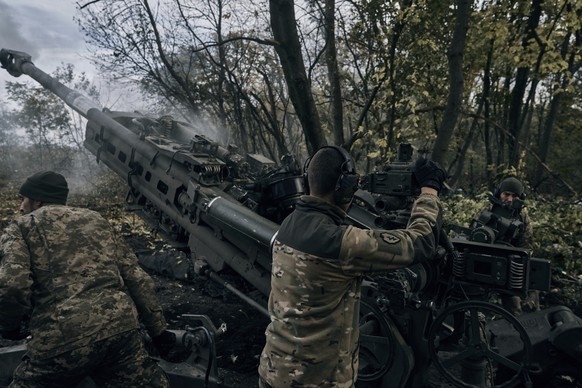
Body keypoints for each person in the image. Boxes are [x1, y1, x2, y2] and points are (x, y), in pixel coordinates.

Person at [258, 146, 445, 387]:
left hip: (273, 371)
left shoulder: (289, 224)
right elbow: (420, 242)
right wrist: (429, 190)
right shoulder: (340, 243)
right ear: (344, 188)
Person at [0, 171, 175, 387]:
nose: (20, 206)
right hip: (120, 331)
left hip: (63, 339)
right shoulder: (97, 220)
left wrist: (9, 326)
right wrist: (159, 332)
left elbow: (12, 285)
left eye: (23, 198)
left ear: (36, 201)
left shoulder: (21, 227)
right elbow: (138, 279)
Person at [472, 176, 538, 315]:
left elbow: (526, 246)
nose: (509, 199)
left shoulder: (522, 217)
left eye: (514, 196)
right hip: (484, 262)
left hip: (509, 264)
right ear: (499, 194)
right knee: (474, 306)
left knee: (515, 308)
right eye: (506, 194)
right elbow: (473, 237)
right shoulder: (486, 210)